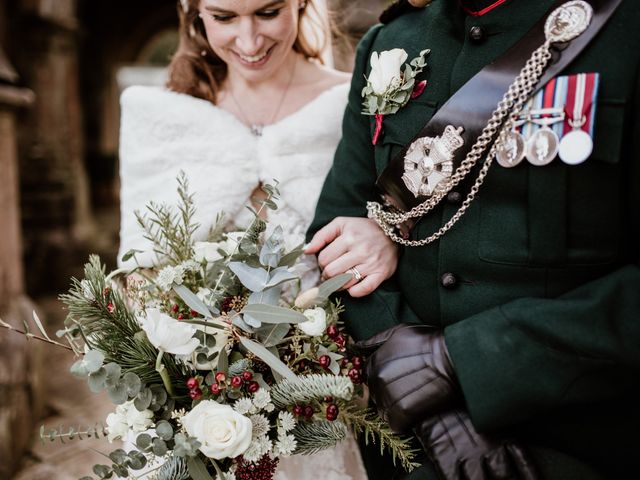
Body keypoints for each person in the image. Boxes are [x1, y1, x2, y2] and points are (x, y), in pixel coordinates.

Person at [306, 0, 640, 479]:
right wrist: (414, 381)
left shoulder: (624, 34)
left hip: (576, 439)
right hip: (407, 442)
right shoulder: (392, 41)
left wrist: (459, 362)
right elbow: (335, 231)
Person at [117, 0, 396, 478]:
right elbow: (138, 274)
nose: (248, 42)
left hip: (324, 388)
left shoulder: (353, 104)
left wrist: (386, 236)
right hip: (199, 398)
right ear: (192, 11)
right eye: (224, 18)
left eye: (268, 13)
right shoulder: (160, 116)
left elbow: (397, 220)